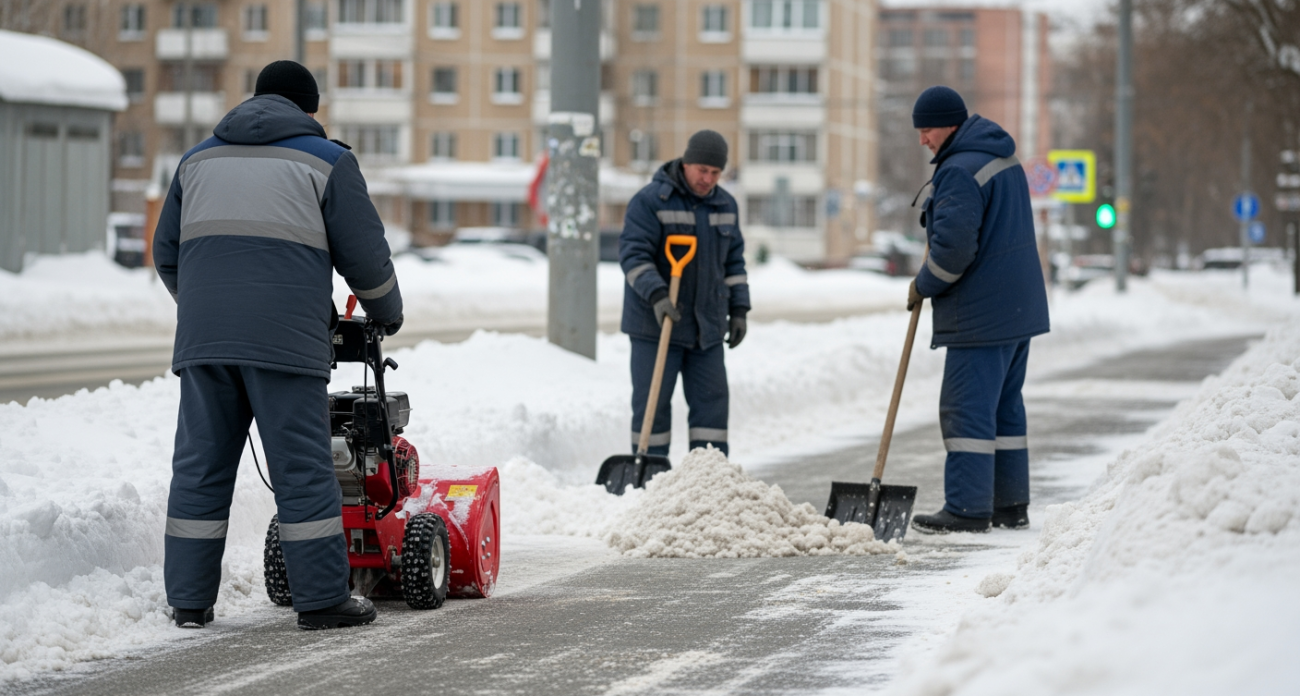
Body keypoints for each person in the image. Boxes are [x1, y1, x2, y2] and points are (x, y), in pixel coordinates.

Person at [154, 61, 403, 629]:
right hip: (286, 343)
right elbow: (365, 256)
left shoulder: (196, 160)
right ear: (308, 110)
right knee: (301, 468)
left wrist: (205, 307)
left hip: (205, 341)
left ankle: (189, 603)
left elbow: (167, 252)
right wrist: (387, 313)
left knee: (199, 466)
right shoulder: (327, 161)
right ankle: (320, 601)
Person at [904, 86, 1050, 534]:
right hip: (1016, 308)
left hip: (981, 314)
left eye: (927, 129)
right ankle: (1009, 504)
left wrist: (922, 284)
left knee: (967, 408)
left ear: (948, 124)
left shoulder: (960, 170)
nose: (923, 139)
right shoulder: (998, 157)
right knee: (1004, 409)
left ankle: (967, 509)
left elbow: (953, 251)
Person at [620, 130, 750, 457]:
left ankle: (709, 479)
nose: (708, 179)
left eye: (716, 173)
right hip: (655, 325)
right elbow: (634, 256)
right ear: (686, 163)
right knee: (653, 405)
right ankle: (649, 476)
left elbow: (733, 263)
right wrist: (657, 295)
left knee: (712, 406)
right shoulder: (650, 201)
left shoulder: (726, 204)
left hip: (705, 328)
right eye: (702, 170)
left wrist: (739, 310)